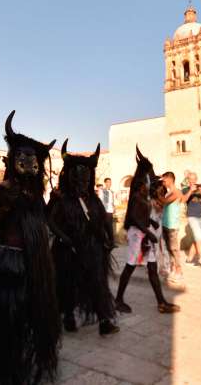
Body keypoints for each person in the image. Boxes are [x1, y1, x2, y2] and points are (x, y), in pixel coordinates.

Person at [0, 111, 61, 385]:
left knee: (31, 316)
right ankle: (3, 367)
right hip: (8, 262)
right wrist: (6, 208)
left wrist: (54, 203)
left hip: (37, 265)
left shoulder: (36, 194)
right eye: (22, 156)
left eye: (32, 157)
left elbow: (44, 221)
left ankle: (27, 360)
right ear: (13, 160)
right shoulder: (0, 191)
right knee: (6, 319)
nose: (28, 161)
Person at [47, 140, 119, 336]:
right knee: (67, 283)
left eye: (86, 180)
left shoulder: (94, 200)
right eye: (79, 179)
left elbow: (104, 219)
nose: (82, 183)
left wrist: (110, 239)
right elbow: (51, 221)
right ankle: (68, 315)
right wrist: (64, 238)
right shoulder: (61, 199)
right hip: (68, 251)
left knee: (97, 284)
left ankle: (104, 320)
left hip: (93, 250)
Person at [114, 147, 180, 315]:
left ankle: (161, 302)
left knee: (152, 268)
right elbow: (134, 218)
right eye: (149, 174)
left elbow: (141, 215)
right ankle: (118, 300)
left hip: (144, 233)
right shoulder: (137, 195)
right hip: (138, 235)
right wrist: (149, 231)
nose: (152, 177)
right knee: (130, 267)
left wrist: (152, 223)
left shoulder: (142, 194)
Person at [160, 172, 184, 283]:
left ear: (170, 179)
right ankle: (173, 269)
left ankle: (179, 272)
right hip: (165, 224)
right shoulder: (168, 193)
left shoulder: (177, 192)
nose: (163, 183)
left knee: (174, 249)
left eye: (164, 180)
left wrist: (155, 193)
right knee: (169, 250)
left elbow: (164, 202)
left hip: (172, 226)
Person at [99, 177, 116, 246]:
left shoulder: (111, 192)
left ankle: (111, 242)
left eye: (110, 182)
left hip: (110, 211)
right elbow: (102, 202)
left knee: (110, 227)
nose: (110, 183)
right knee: (107, 227)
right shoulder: (103, 191)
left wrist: (114, 207)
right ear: (105, 183)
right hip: (105, 211)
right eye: (108, 182)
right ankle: (106, 242)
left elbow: (111, 201)